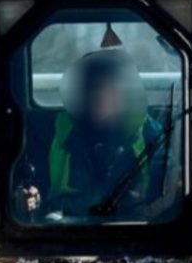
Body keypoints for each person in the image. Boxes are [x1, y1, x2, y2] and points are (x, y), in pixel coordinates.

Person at [18, 49, 167, 221]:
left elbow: (166, 201)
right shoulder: (54, 133)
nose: (98, 97)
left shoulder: (156, 138)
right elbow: (33, 188)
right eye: (91, 88)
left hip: (136, 236)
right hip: (62, 236)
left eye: (109, 89)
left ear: (129, 94)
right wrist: (29, 199)